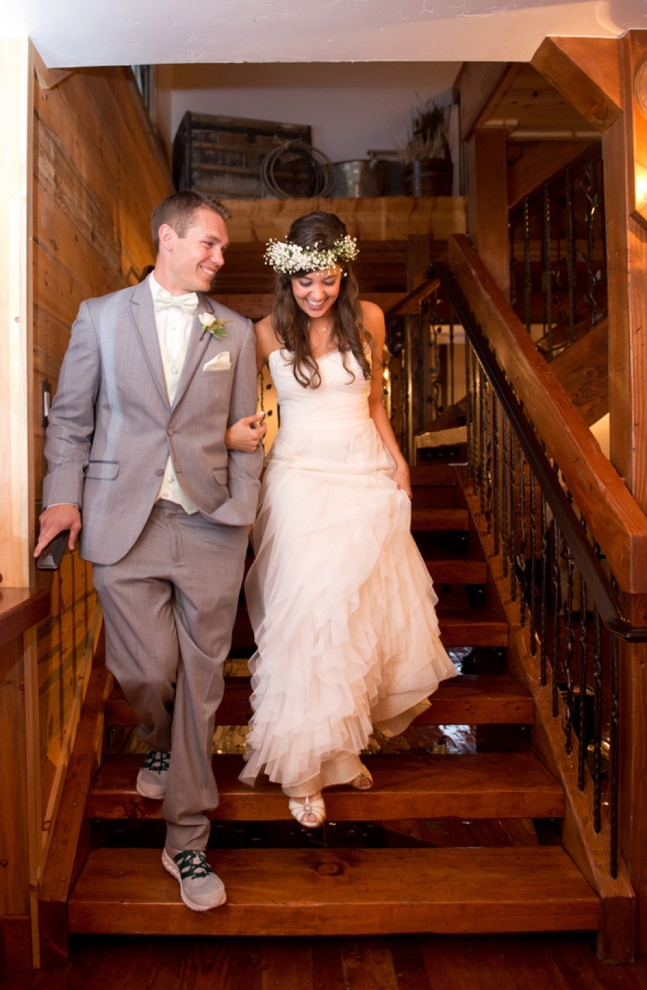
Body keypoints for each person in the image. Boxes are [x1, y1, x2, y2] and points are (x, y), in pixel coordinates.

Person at [34, 190, 263, 911]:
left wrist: (245, 509)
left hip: (210, 524)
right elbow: (70, 420)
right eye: (211, 244)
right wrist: (59, 497)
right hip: (120, 520)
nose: (220, 259)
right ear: (170, 237)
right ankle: (155, 740)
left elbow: (249, 429)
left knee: (201, 685)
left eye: (222, 249)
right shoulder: (100, 318)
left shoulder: (235, 332)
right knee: (146, 670)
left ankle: (187, 843)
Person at [229, 211, 457, 827]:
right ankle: (303, 769)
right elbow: (229, 403)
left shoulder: (371, 319)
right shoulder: (263, 334)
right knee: (309, 618)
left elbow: (375, 402)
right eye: (304, 282)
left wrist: (399, 461)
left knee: (358, 616)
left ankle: (339, 747)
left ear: (342, 273)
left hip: (365, 477)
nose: (316, 293)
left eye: (327, 280)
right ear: (287, 279)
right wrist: (234, 438)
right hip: (300, 480)